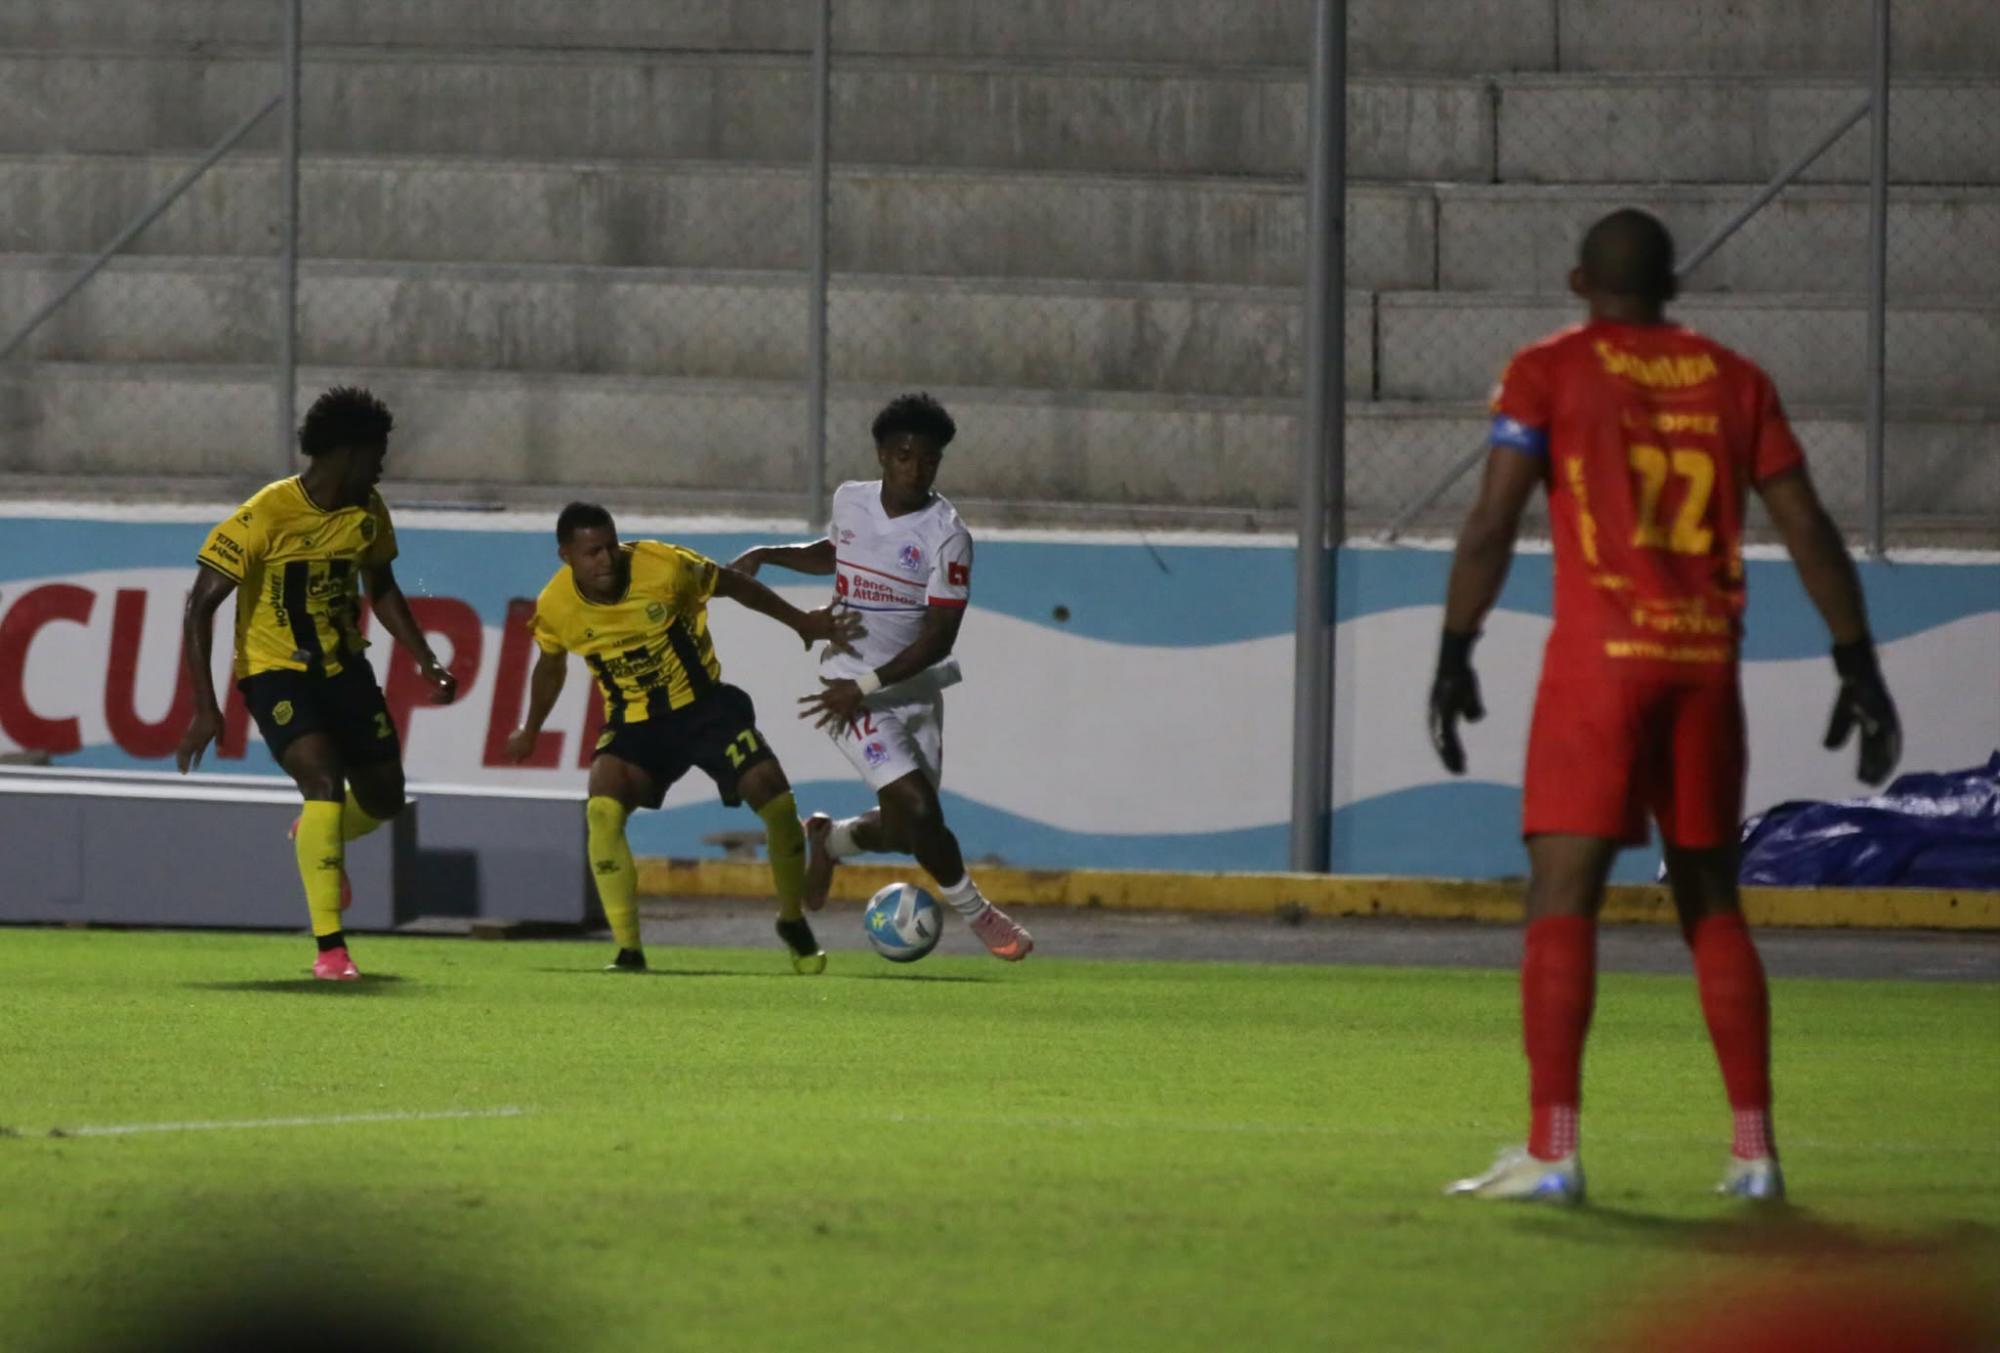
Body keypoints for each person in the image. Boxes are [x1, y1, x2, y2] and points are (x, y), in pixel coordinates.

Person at [1430, 210, 1901, 1205]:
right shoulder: (1735, 380)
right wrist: (1855, 659)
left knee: (1561, 897)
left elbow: (1489, 520)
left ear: (1575, 282)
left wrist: (1454, 648)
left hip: (1598, 664)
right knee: (1710, 901)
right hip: (1700, 664)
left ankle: (1552, 1149)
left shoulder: (1546, 371)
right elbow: (1805, 523)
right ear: (1672, 285)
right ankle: (1752, 1154)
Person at [732, 392, 1034, 962]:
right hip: (847, 692)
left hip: (907, 691)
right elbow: (836, 552)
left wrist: (868, 687)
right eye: (903, 456)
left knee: (905, 830)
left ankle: (831, 839)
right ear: (881, 455)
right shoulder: (851, 500)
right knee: (923, 812)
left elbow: (940, 637)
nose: (916, 469)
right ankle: (980, 914)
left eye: (929, 460)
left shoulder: (948, 535)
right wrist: (768, 553)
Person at [505, 503, 863, 974]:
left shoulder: (662, 564)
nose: (607, 559)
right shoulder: (555, 606)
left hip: (705, 707)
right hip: (635, 724)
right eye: (592, 552)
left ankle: (791, 919)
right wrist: (531, 729)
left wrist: (801, 622)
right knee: (602, 808)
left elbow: (734, 584)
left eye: (611, 545)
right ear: (565, 555)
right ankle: (629, 951)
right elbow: (551, 666)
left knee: (775, 800)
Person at [176, 387, 458, 981]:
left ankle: (315, 833)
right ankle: (331, 950)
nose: (383, 465)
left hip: (346, 669)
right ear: (348, 452)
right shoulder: (266, 514)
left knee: (384, 798)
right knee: (324, 780)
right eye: (378, 453)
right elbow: (199, 606)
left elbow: (380, 587)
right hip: (277, 673)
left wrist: (425, 659)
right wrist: (207, 708)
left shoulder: (369, 510)